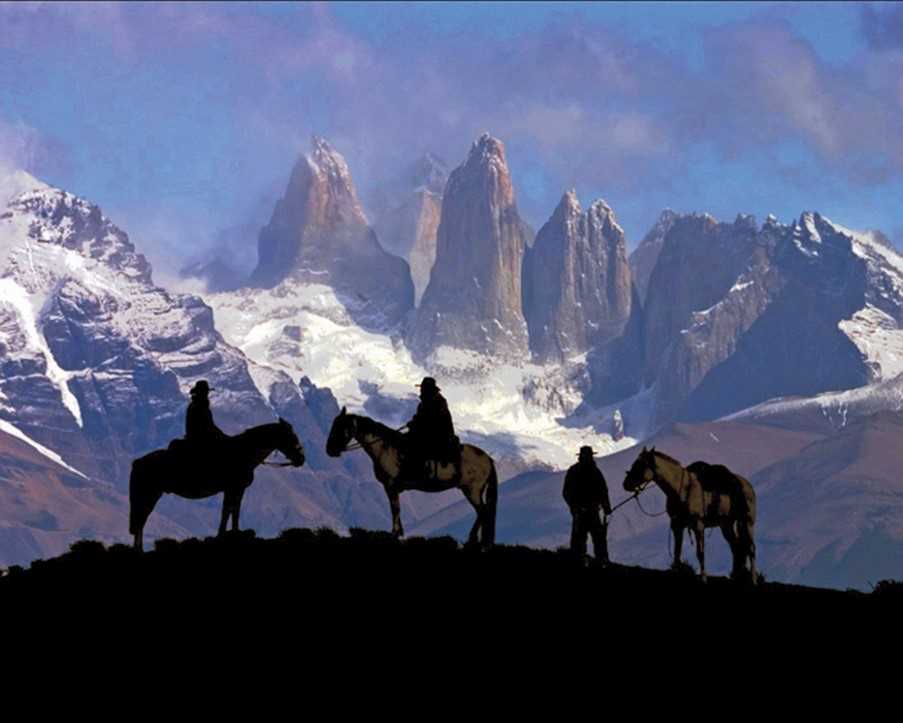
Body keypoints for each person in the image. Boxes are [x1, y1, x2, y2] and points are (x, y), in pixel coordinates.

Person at [563, 446, 613, 565]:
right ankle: (601, 561)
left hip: (584, 512)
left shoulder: (574, 470)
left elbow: (566, 492)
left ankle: (580, 560)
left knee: (583, 539)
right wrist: (606, 508)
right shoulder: (595, 471)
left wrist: (574, 508)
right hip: (589, 511)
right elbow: (603, 491)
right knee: (597, 538)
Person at [403, 377, 458, 478]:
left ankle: (422, 471)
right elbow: (420, 417)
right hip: (430, 431)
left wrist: (417, 424)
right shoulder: (425, 402)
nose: (421, 390)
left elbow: (434, 420)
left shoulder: (438, 401)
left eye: (423, 388)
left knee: (419, 445)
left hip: (440, 434)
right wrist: (413, 422)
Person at [185, 380, 226, 447]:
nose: (207, 394)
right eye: (205, 392)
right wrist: (221, 435)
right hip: (200, 439)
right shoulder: (199, 406)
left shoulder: (196, 405)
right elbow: (207, 426)